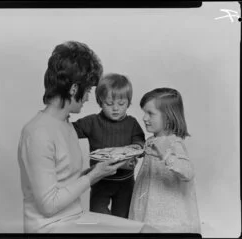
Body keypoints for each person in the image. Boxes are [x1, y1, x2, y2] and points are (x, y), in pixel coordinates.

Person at [17, 41, 158, 233]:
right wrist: (93, 175)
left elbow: (64, 182)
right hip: (50, 228)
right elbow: (48, 206)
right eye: (88, 90)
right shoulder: (37, 133)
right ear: (74, 89)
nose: (88, 98)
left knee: (149, 231)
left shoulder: (65, 124)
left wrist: (99, 170)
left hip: (74, 218)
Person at [72, 73, 145, 218]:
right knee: (99, 219)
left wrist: (135, 149)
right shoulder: (92, 122)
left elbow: (140, 143)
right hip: (100, 181)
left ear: (129, 102)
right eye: (109, 104)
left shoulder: (132, 123)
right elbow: (68, 130)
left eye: (121, 104)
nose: (116, 109)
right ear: (100, 102)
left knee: (123, 220)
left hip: (126, 183)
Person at [128, 88, 201, 233]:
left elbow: (188, 173)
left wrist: (166, 156)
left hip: (168, 215)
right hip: (146, 206)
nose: (144, 118)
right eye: (144, 112)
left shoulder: (174, 143)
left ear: (168, 117)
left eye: (150, 113)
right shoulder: (150, 140)